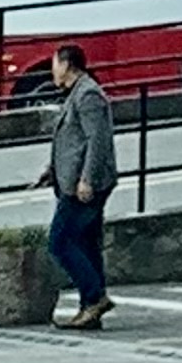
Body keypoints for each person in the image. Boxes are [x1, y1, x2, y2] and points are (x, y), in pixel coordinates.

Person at [43, 42, 117, 328]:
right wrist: (52, 170)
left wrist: (87, 178)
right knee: (86, 242)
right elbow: (71, 141)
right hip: (72, 180)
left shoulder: (88, 95)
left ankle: (95, 296)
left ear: (67, 65)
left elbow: (97, 141)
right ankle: (90, 309)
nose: (53, 71)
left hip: (84, 185)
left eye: (55, 64)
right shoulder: (77, 93)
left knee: (59, 242)